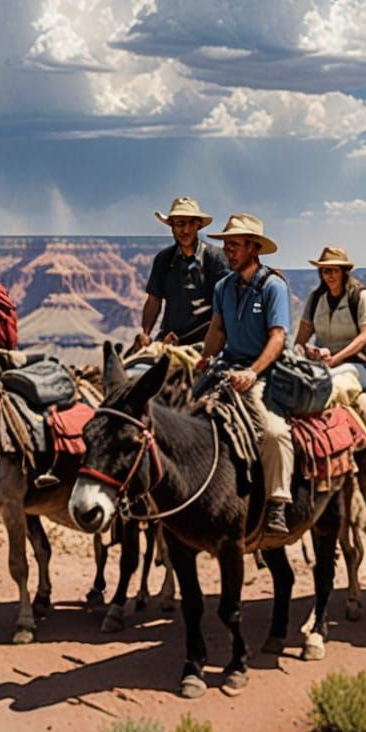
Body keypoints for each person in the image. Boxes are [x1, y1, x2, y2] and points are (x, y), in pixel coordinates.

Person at [198, 213, 295, 537]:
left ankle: (278, 504)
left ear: (254, 248)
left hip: (263, 371)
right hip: (226, 367)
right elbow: (217, 328)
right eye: (226, 245)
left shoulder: (273, 286)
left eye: (235, 245)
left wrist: (252, 373)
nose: (228, 251)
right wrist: (205, 358)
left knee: (273, 432)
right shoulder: (223, 286)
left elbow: (278, 337)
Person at [135, 196, 228, 349]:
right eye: (180, 224)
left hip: (207, 338)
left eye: (191, 223)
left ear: (198, 225)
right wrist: (146, 333)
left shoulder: (216, 258)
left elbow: (226, 304)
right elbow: (154, 300)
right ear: (172, 226)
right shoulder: (163, 259)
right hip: (169, 337)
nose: (186, 230)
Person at [294, 246, 366, 392]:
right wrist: (303, 352)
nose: (330, 275)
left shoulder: (361, 297)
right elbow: (301, 339)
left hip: (356, 364)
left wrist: (336, 359)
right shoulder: (315, 299)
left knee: (334, 381)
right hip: (321, 363)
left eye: (335, 270)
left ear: (343, 272)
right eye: (326, 271)